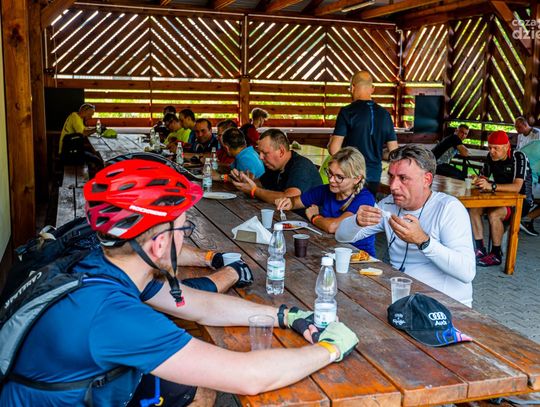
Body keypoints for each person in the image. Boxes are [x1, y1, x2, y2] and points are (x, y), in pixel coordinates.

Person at [0, 158, 359, 406]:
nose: (185, 236)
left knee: (194, 388)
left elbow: (199, 305)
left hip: (67, 389)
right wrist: (329, 349)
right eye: (183, 229)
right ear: (159, 244)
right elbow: (247, 376)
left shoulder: (106, 265)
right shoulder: (112, 315)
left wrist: (284, 315)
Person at [336, 144, 476, 307]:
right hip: (403, 298)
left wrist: (423, 241)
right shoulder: (388, 204)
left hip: (446, 306)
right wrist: (355, 221)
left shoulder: (448, 208)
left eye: (403, 178)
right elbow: (341, 237)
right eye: (391, 176)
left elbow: (467, 272)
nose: (393, 186)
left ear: (426, 180)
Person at [276, 147, 376, 256]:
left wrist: (314, 217)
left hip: (359, 257)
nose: (331, 180)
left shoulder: (364, 198)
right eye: (330, 173)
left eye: (339, 177)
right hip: (330, 250)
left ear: (357, 179)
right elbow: (295, 202)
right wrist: (288, 202)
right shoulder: (325, 190)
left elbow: (334, 227)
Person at [328, 71, 398, 195]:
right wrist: (377, 153)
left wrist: (330, 144)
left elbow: (334, 150)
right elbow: (394, 153)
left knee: (348, 206)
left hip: (350, 175)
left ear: (352, 87)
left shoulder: (347, 112)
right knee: (366, 205)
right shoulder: (385, 115)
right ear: (372, 89)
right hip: (374, 176)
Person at [470, 131, 534, 266]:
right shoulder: (490, 156)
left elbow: (517, 187)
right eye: (489, 147)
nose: (491, 151)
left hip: (521, 201)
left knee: (494, 213)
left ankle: (496, 254)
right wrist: (478, 180)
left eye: (496, 148)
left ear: (506, 146)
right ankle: (480, 250)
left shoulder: (518, 157)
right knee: (474, 209)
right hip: (499, 198)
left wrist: (492, 186)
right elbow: (484, 177)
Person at [231, 129, 322, 210]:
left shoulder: (301, 166)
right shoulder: (275, 166)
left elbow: (288, 198)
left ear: (281, 151)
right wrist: (246, 182)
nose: (260, 157)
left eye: (265, 153)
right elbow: (260, 184)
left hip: (305, 221)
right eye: (260, 152)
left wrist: (254, 191)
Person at [58, 103, 104, 177]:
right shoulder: (74, 116)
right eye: (90, 114)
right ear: (84, 111)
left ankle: (94, 176)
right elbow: (82, 133)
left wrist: (94, 128)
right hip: (68, 153)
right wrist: (96, 129)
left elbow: (84, 129)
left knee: (95, 159)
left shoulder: (79, 118)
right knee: (97, 160)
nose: (91, 117)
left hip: (72, 150)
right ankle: (97, 179)